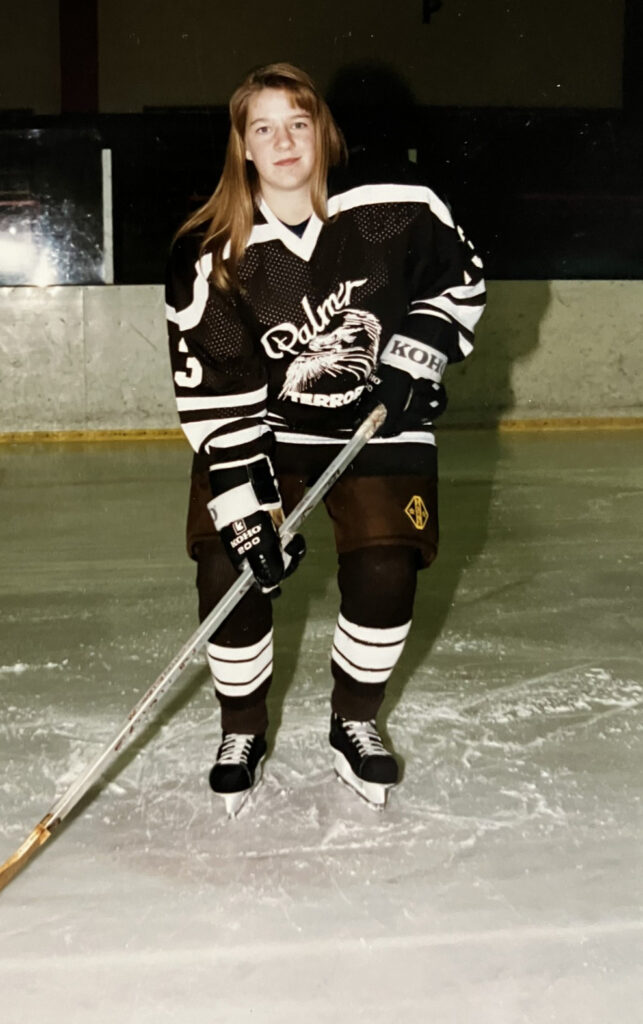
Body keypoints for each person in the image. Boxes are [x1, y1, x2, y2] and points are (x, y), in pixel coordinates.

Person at [165, 62, 485, 816]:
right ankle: (240, 730)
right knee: (230, 569)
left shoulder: (395, 207)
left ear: (322, 134)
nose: (283, 141)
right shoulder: (210, 252)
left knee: (385, 569)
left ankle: (355, 721)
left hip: (381, 418)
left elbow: (459, 277)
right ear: (242, 146)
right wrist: (244, 506)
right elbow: (216, 388)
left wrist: (419, 347)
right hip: (266, 431)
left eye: (298, 124)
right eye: (263, 128)